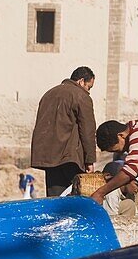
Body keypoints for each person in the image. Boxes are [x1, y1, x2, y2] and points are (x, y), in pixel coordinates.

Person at [30, 66, 97, 196]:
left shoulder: (49, 94)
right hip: (70, 156)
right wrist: (89, 160)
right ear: (81, 81)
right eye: (89, 87)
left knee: (55, 199)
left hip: (50, 157)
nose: (88, 92)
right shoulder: (81, 96)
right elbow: (87, 130)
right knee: (76, 199)